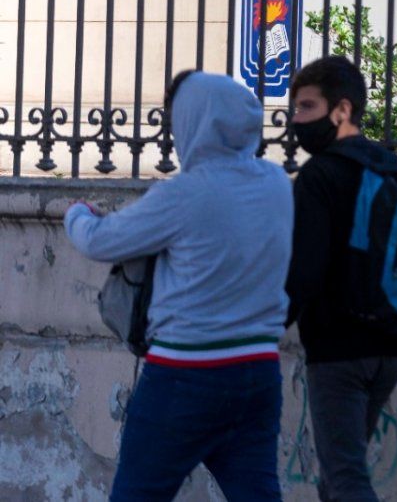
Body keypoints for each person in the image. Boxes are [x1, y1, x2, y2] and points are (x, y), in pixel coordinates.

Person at [65, 71, 292, 501]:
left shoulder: (187, 193)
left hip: (186, 373)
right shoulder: (276, 184)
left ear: (195, 122)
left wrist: (77, 214)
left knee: (137, 493)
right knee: (258, 492)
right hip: (258, 370)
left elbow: (101, 240)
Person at [286, 56, 397, 502]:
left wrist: (264, 326)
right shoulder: (395, 172)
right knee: (336, 480)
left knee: (345, 479)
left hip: (338, 352)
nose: (296, 121)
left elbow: (305, 270)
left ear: (342, 110)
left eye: (306, 107)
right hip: (389, 353)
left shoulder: (320, 175)